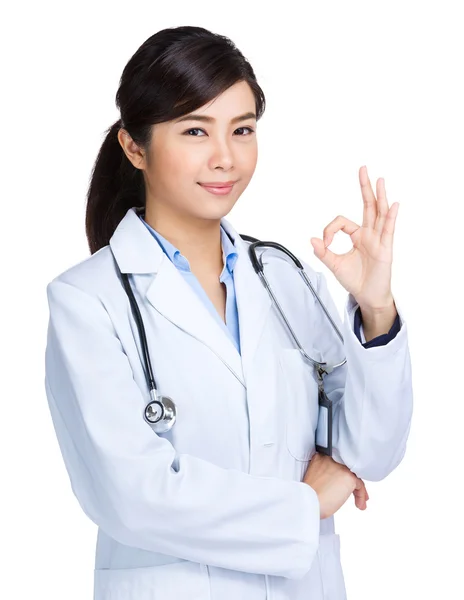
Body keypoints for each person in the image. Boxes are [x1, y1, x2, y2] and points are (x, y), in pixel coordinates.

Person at [44, 25, 413, 600]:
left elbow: (372, 451)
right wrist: (306, 504)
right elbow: (132, 494)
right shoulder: (87, 301)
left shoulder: (287, 280)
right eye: (195, 130)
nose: (225, 157)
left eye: (242, 130)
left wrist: (376, 307)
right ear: (133, 146)